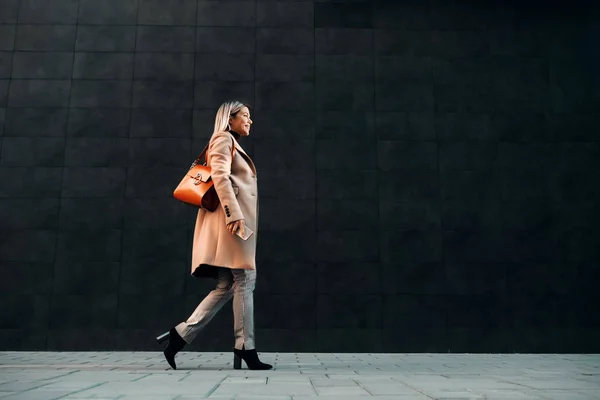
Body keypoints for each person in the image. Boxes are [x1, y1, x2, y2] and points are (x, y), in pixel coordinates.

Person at [156, 100, 272, 371]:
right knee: (245, 279)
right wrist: (234, 214)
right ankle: (245, 347)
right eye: (245, 115)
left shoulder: (231, 141)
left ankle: (179, 336)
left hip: (229, 223)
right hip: (230, 224)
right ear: (229, 119)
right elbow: (219, 176)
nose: (250, 120)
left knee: (227, 285)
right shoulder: (222, 139)